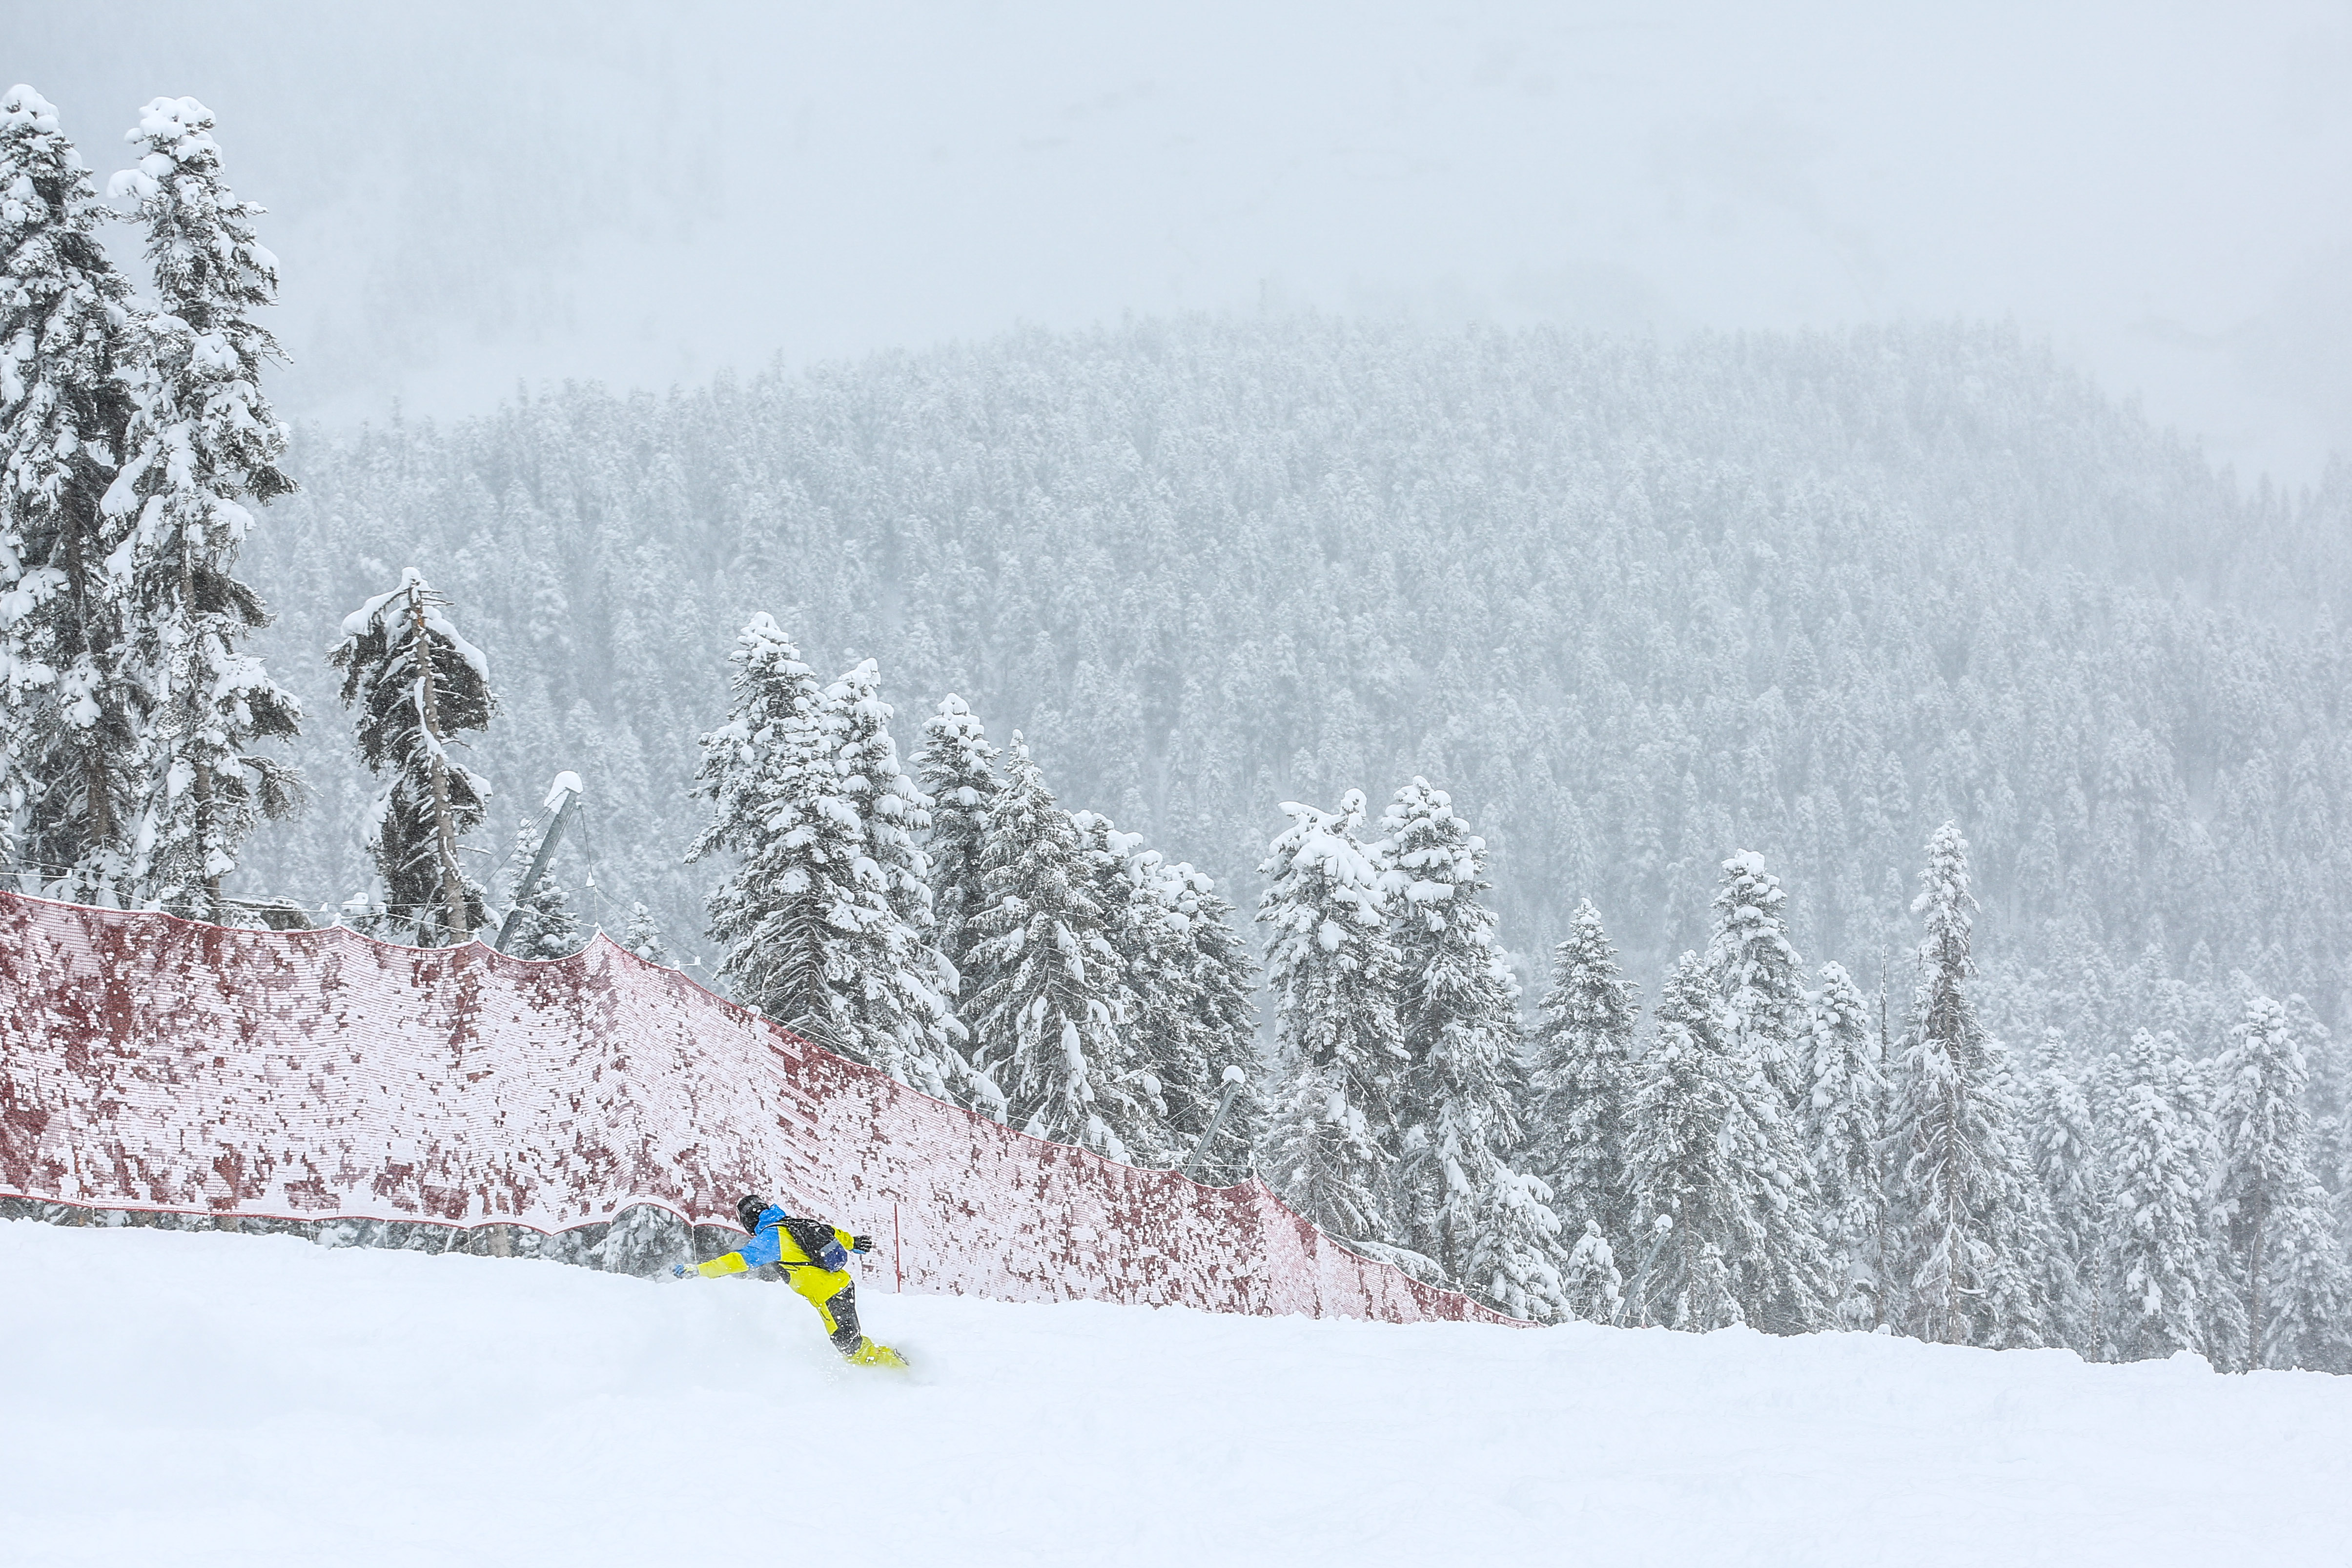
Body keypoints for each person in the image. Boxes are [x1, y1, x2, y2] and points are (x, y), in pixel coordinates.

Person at [673, 1193, 906, 1367]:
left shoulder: (772, 1238)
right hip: (842, 1285)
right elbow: (832, 1233)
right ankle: (888, 1362)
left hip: (828, 1296)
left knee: (850, 1347)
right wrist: (853, 1243)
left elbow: (738, 1261)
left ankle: (899, 1372)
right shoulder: (795, 1224)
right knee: (849, 1340)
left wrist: (699, 1270)